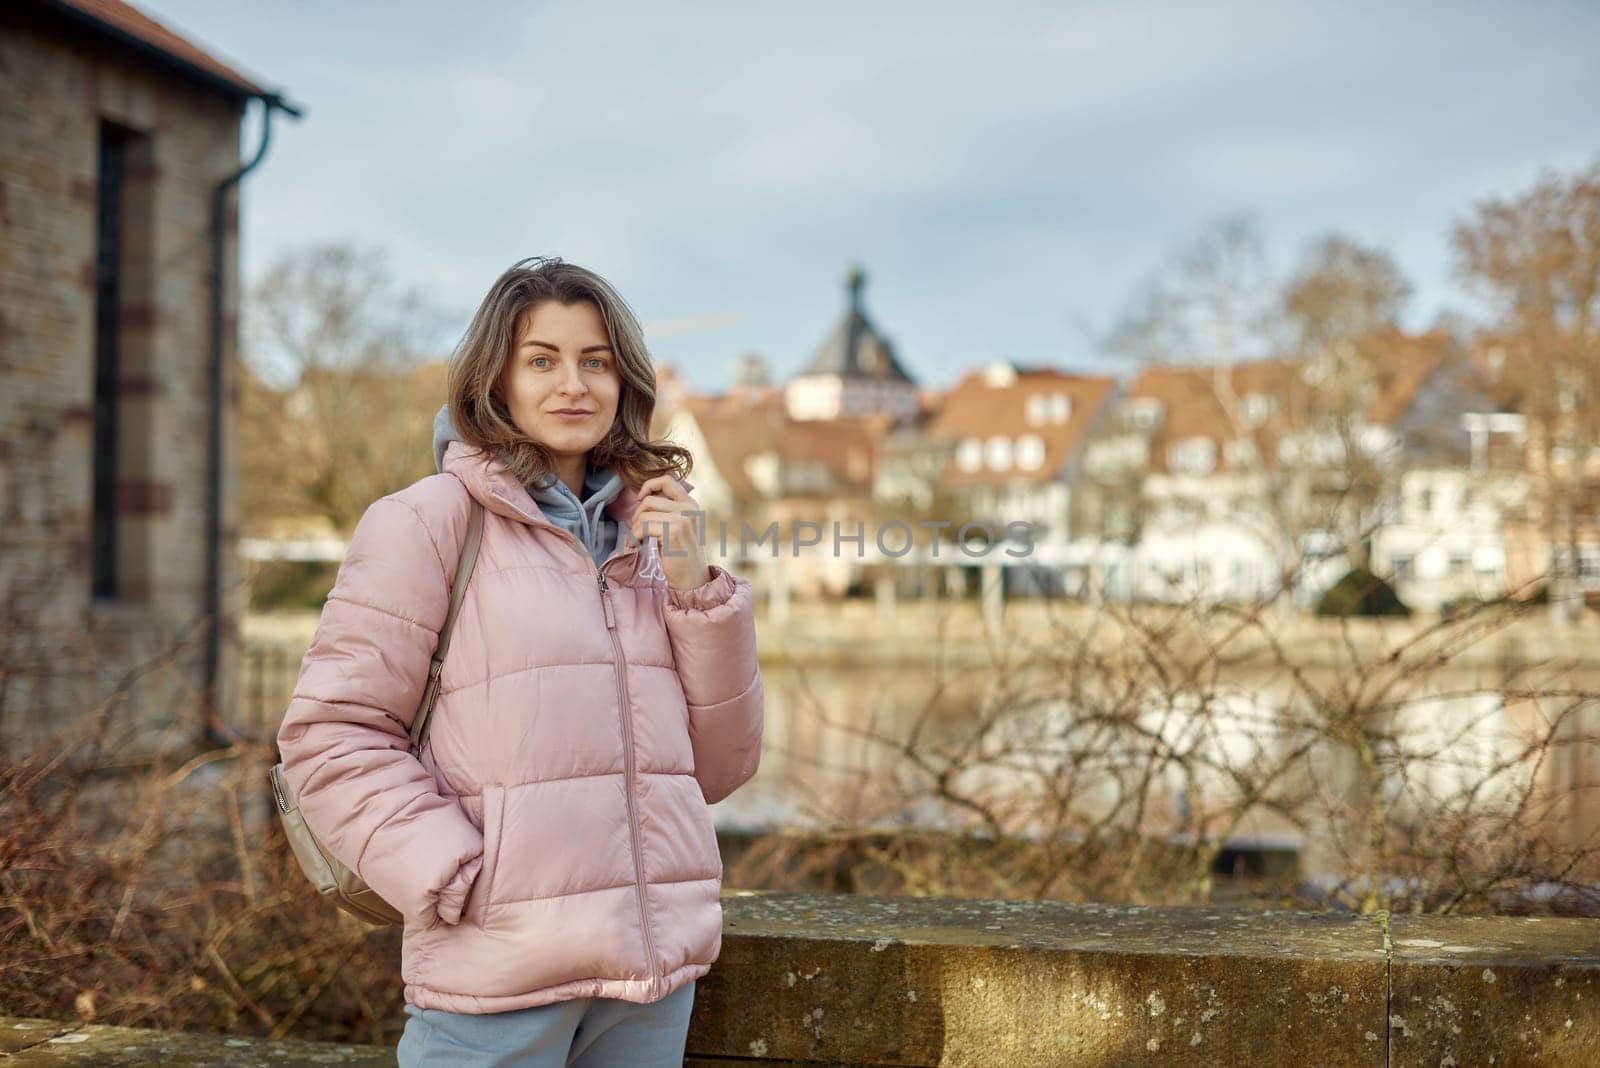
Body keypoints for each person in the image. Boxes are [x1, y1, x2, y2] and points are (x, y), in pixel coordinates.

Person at [275, 257, 764, 1066]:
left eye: (594, 360)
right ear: (495, 379)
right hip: (497, 975)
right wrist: (454, 873)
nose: (572, 384)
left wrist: (694, 590)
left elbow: (720, 765)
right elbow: (330, 734)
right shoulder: (427, 523)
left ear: (624, 380)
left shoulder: (658, 538)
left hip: (648, 985)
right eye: (542, 359)